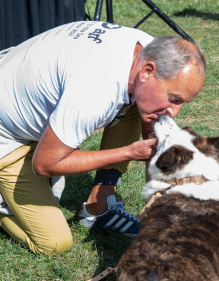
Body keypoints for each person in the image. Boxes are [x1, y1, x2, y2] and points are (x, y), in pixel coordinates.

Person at [0, 21, 206, 254]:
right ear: (148, 72)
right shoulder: (96, 89)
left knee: (135, 106)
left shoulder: (146, 50)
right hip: (8, 141)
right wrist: (129, 152)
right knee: (54, 243)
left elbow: (151, 132)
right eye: (174, 99)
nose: (174, 111)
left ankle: (98, 206)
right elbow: (44, 164)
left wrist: (159, 202)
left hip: (15, 91)